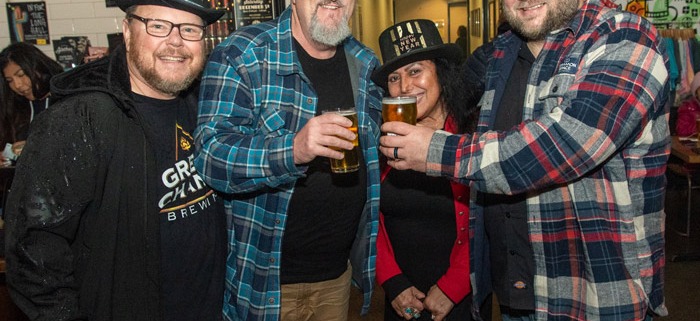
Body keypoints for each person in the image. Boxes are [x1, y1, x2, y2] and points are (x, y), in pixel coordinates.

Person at [379, 0, 670, 320]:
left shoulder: (624, 38)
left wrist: (434, 150)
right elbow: (447, 93)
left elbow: (563, 145)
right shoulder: (497, 55)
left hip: (598, 295)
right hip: (517, 293)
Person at [3, 0, 227, 320]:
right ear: (127, 31)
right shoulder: (79, 119)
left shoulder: (203, 104)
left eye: (190, 29)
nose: (176, 41)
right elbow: (32, 250)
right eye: (158, 25)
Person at [194, 0, 383, 320]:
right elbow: (211, 155)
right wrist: (293, 150)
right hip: (265, 283)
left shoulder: (364, 62)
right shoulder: (243, 53)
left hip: (336, 275)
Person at [370, 19, 475, 321]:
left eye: (416, 71)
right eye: (394, 77)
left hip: (460, 301)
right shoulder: (381, 142)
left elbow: (490, 221)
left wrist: (454, 287)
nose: (404, 87)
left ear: (441, 73)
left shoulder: (472, 138)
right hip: (400, 301)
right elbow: (368, 218)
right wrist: (392, 282)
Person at [0, 42, 63, 163]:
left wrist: (35, 147)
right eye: (9, 80)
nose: (17, 85)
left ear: (39, 68)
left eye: (21, 75)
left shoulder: (67, 101)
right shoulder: (15, 107)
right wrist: (5, 156)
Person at [675, 71, 700, 137]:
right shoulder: (687, 108)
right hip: (692, 145)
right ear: (696, 92)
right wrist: (697, 128)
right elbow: (682, 130)